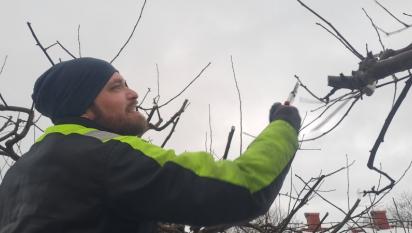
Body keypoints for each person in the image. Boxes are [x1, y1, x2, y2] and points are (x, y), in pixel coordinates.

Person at [0, 57, 301, 233]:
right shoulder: (106, 155)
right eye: (116, 87)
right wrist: (283, 126)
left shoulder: (18, 174)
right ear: (84, 107)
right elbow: (243, 187)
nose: (133, 94)